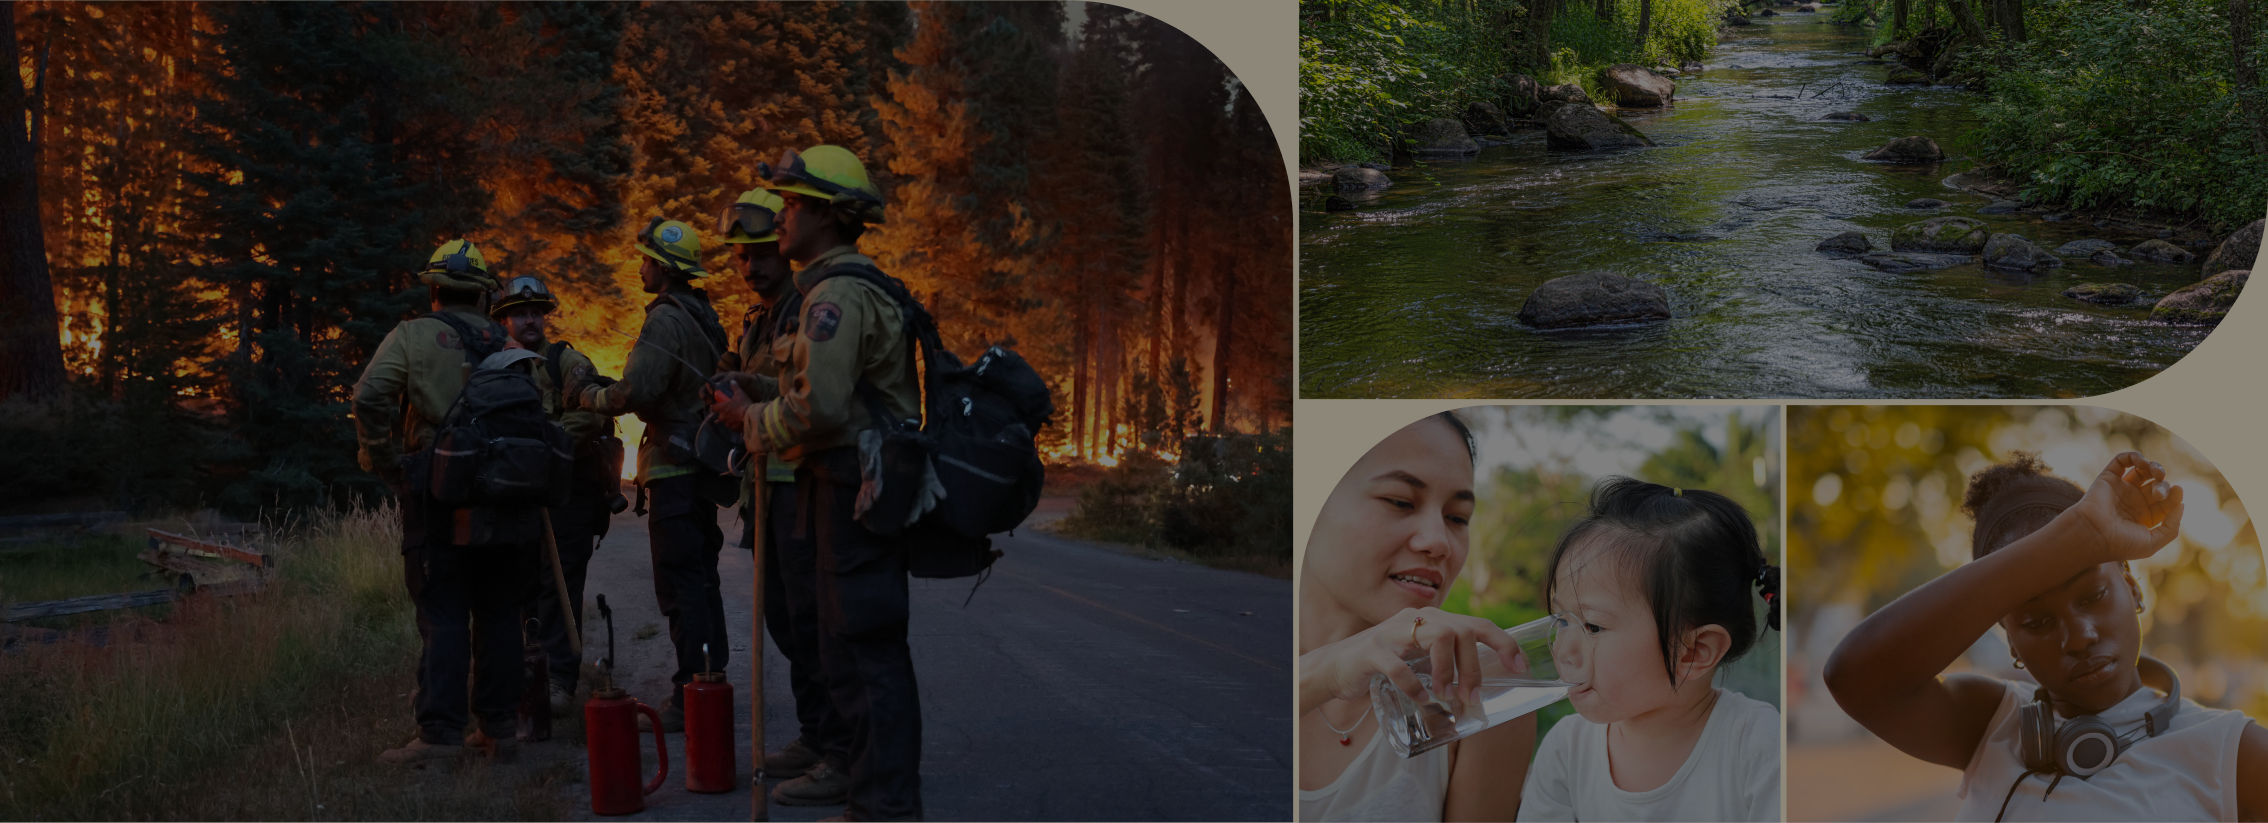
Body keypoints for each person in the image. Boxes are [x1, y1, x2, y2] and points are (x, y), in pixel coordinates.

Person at [1825, 452, 2268, 822]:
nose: (2080, 637)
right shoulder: (1993, 725)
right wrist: (2080, 536)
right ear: (2010, 640)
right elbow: (1854, 677)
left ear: (2132, 587)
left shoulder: (2235, 752)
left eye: (2093, 595)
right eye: (2036, 622)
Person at [710, 144, 920, 820]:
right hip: (846, 486)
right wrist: (764, 388)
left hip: (849, 489)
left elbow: (819, 409)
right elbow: (828, 391)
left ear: (826, 217)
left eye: (794, 205)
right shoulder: (844, 287)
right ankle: (871, 792)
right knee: (848, 646)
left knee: (862, 650)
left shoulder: (834, 296)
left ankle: (881, 803)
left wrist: (750, 415)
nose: (782, 219)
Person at [1297, 411, 1537, 823]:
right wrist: (1326, 674)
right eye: (1400, 502)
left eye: (1457, 517)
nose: (1438, 542)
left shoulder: (1485, 687)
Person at [354, 239, 536, 767]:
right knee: (501, 610)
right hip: (505, 494)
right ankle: (500, 728)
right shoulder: (511, 347)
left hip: (436, 490)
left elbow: (369, 397)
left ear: (433, 290)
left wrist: (386, 463)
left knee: (444, 610)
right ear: (483, 297)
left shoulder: (412, 335)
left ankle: (439, 736)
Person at [1516, 478, 1782, 823]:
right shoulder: (1567, 752)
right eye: (1561, 619)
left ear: (1695, 651)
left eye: (1593, 626)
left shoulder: (1757, 745)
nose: (1562, 648)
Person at [712, 187, 854, 797]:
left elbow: (808, 397)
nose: (752, 266)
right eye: (741, 257)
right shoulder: (760, 319)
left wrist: (749, 401)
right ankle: (815, 735)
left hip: (799, 484)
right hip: (761, 486)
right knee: (785, 622)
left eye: (763, 251)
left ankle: (838, 748)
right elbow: (772, 383)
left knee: (813, 622)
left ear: (786, 245)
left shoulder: (809, 304)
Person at [571, 218, 734, 733]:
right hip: (700, 466)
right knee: (701, 577)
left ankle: (691, 695)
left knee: (680, 581)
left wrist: (589, 397)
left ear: (662, 267)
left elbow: (635, 392)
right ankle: (710, 680)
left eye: (644, 258)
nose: (639, 265)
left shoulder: (666, 319)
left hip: (674, 468)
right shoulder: (705, 314)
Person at [490, 274, 617, 716]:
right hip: (514, 496)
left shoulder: (566, 361)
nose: (528, 320)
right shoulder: (494, 367)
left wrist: (544, 449)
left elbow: (590, 416)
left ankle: (561, 678)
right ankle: (526, 675)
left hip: (566, 492)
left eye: (535, 313)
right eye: (518, 314)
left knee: (559, 584)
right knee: (519, 584)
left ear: (545, 317)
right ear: (503, 320)